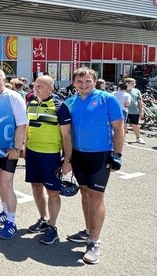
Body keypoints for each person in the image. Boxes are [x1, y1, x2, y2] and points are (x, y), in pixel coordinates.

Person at [62, 67, 124, 264]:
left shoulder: (107, 99)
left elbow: (119, 127)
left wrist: (117, 154)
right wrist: (68, 158)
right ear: (74, 82)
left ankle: (94, 242)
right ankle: (88, 230)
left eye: (88, 81)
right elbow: (67, 134)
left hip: (100, 155)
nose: (84, 84)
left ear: (95, 81)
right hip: (79, 155)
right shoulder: (69, 102)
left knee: (96, 196)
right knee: (85, 193)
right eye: (80, 81)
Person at [24, 75, 71, 245]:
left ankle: (53, 226)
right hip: (32, 154)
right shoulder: (32, 103)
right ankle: (43, 219)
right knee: (36, 187)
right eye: (35, 86)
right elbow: (28, 129)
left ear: (51, 89)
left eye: (40, 86)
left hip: (51, 155)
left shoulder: (60, 106)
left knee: (53, 192)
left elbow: (67, 136)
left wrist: (67, 160)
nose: (36, 89)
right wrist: (25, 149)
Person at [0, 68, 28, 240]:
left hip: (10, 150)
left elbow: (22, 124)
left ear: (4, 80)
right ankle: (4, 212)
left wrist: (17, 148)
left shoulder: (13, 97)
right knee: (1, 183)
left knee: (6, 183)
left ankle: (11, 222)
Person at [124, 77, 145, 144]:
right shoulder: (123, 90)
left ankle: (138, 137)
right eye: (132, 83)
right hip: (124, 111)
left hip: (134, 111)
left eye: (134, 83)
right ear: (127, 84)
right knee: (124, 125)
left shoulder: (136, 91)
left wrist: (141, 111)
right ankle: (123, 138)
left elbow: (140, 102)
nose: (133, 85)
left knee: (135, 125)